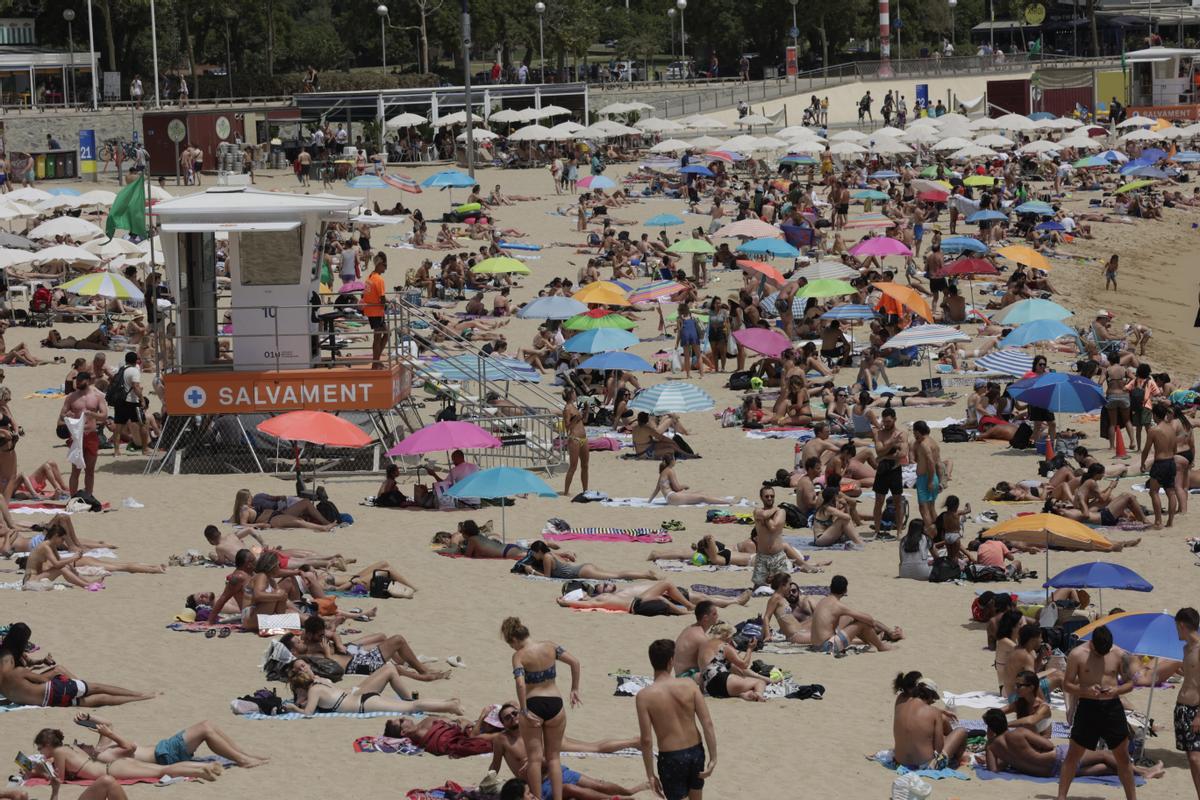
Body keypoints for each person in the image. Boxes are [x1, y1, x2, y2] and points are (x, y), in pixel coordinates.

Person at [485, 701, 644, 799]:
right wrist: (487, 781)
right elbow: (495, 765)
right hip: (539, 784)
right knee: (594, 748)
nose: (513, 717)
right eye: (507, 717)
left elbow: (549, 758)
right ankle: (632, 743)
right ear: (503, 724)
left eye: (514, 713)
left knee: (598, 778)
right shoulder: (502, 739)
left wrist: (536, 760)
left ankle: (628, 791)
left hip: (556, 771)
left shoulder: (534, 730)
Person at [1056, 625, 1138, 800]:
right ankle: (1061, 796)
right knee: (1073, 754)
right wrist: (1085, 690)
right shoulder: (1077, 654)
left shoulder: (1119, 654)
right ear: (1092, 643)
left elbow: (1130, 684)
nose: (1102, 655)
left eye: (1105, 651)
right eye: (1099, 652)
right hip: (1088, 707)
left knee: (1123, 757)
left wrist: (1116, 691)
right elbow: (1067, 684)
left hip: (1112, 708)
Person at [502, 616, 580, 800]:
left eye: (510, 644)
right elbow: (575, 663)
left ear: (514, 640)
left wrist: (523, 709)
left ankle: (536, 797)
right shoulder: (550, 646)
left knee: (535, 759)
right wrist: (574, 688)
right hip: (555, 703)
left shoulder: (519, 656)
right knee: (554, 758)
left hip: (534, 704)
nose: (512, 648)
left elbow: (521, 684)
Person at [635, 639, 717, 800]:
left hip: (671, 757)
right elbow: (707, 723)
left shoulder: (644, 696)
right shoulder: (689, 684)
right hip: (696, 752)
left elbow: (646, 740)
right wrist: (713, 757)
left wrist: (650, 774)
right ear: (671, 661)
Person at [984, 708, 1162, 781]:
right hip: (1056, 759)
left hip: (1048, 773)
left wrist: (1011, 759)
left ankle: (1135, 773)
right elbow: (1047, 745)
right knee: (1104, 755)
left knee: (1102, 768)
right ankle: (1143, 772)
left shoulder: (992, 747)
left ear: (990, 730)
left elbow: (993, 770)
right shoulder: (1020, 733)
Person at [31, 729, 222, 789]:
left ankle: (200, 771)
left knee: (162, 771)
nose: (41, 751)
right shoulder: (69, 748)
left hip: (112, 771)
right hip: (115, 766)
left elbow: (61, 779)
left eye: (41, 748)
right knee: (160, 770)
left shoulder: (58, 753)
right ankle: (202, 768)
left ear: (48, 745)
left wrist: (39, 772)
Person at [71, 713, 268, 769]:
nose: (82, 743)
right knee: (206, 729)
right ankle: (243, 761)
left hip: (164, 749)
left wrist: (90, 718)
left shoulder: (100, 747)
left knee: (208, 724)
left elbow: (109, 724)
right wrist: (112, 735)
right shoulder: (102, 757)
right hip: (164, 756)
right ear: (82, 754)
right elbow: (129, 747)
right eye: (79, 745)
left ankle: (244, 755)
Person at [283, 658, 462, 716]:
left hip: (362, 703)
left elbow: (308, 714)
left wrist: (292, 707)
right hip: (361, 699)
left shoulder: (314, 690)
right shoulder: (319, 684)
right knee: (411, 705)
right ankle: (447, 702)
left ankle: (450, 706)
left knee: (412, 706)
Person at [892, 671, 967, 770]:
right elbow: (939, 748)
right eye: (933, 699)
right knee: (961, 731)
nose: (933, 702)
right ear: (930, 696)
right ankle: (957, 760)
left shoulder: (901, 702)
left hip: (899, 761)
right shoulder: (934, 712)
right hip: (924, 765)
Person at [810, 575, 899, 653]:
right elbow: (870, 620)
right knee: (862, 623)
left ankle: (872, 643)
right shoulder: (837, 605)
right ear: (845, 591)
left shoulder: (823, 601)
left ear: (830, 587)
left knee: (855, 619)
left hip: (815, 646)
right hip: (826, 647)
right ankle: (881, 647)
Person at [57, 371, 106, 497]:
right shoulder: (71, 397)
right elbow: (62, 415)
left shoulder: (97, 396)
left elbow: (104, 416)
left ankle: (88, 496)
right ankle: (73, 497)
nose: (78, 383)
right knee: (75, 470)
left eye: (80, 381)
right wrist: (67, 415)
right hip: (77, 436)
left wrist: (93, 414)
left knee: (90, 470)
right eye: (77, 381)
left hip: (91, 434)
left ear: (88, 381)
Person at [696, 622, 768, 701]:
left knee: (745, 685)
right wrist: (750, 649)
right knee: (759, 683)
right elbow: (744, 664)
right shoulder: (724, 646)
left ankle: (744, 694)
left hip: (709, 687)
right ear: (727, 635)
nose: (732, 639)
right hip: (721, 679)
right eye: (732, 636)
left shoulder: (703, 646)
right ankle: (758, 695)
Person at [519, 540, 656, 582]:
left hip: (582, 572)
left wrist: (532, 571)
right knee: (616, 574)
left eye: (533, 553)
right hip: (584, 567)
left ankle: (645, 575)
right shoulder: (551, 553)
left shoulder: (547, 558)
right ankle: (644, 574)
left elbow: (548, 578)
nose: (533, 555)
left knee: (617, 575)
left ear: (538, 552)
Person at [1176, 607, 1200, 798]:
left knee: (1195, 758)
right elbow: (1192, 677)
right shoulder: (1186, 648)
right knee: (1192, 759)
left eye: (1177, 627)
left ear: (1182, 625)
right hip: (1182, 709)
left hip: (1195, 710)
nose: (1176, 630)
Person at [1141, 403, 1178, 529]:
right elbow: (1175, 448)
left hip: (1160, 463)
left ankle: (1158, 521)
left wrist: (1142, 463)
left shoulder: (1154, 430)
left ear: (1155, 415)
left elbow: (1146, 449)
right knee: (1171, 492)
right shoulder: (1172, 429)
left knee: (1154, 492)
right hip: (1171, 462)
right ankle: (1170, 522)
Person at [872, 407, 908, 536]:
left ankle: (898, 531)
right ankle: (876, 530)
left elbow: (903, 454)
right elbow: (878, 451)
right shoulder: (879, 433)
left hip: (894, 469)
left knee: (898, 502)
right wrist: (892, 443)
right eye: (884, 421)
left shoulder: (902, 434)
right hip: (882, 470)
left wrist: (885, 456)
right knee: (878, 501)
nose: (886, 424)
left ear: (894, 420)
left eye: (889, 421)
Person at [648, 455, 730, 507]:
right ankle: (727, 502)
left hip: (670, 498)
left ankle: (723, 500)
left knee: (700, 493)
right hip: (673, 498)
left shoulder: (663, 472)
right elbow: (677, 488)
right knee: (702, 497)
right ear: (672, 461)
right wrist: (685, 486)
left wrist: (649, 502)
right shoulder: (670, 470)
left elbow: (656, 489)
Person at [112, 352, 148, 458]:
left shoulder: (121, 370)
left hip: (119, 401)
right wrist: (142, 399)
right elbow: (136, 386)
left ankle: (116, 451)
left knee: (118, 427)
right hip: (132, 401)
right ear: (136, 360)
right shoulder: (134, 371)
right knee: (142, 424)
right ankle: (145, 449)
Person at [750, 484, 788, 587]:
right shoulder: (757, 511)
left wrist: (767, 516)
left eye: (772, 496)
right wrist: (773, 510)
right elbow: (763, 515)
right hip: (762, 556)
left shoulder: (781, 512)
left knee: (783, 587)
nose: (770, 498)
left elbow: (774, 527)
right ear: (761, 498)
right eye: (766, 496)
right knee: (758, 588)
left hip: (778, 556)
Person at [561, 388, 589, 496]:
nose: (576, 394)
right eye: (574, 393)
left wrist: (586, 410)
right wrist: (575, 419)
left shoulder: (575, 407)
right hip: (574, 439)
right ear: (570, 395)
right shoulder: (567, 409)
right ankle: (566, 492)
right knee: (573, 466)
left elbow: (584, 421)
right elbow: (567, 427)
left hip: (583, 438)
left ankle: (585, 490)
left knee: (585, 466)